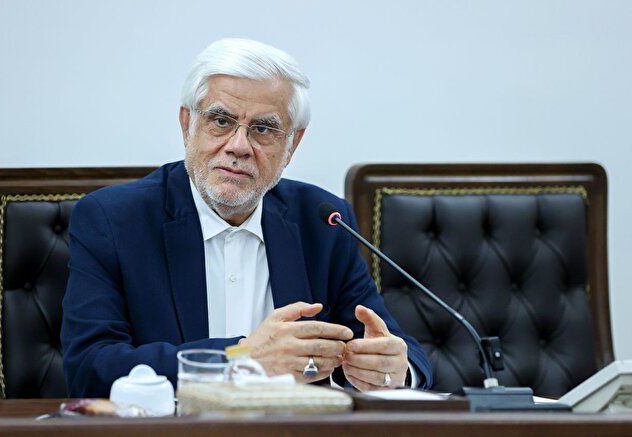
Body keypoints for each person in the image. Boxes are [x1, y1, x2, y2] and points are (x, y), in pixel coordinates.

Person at [61, 38, 432, 397]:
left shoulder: (323, 222)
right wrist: (243, 359)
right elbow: (90, 368)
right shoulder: (113, 220)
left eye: (263, 129)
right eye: (220, 121)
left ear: (292, 144)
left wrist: (393, 369)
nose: (238, 146)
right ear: (187, 125)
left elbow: (395, 349)